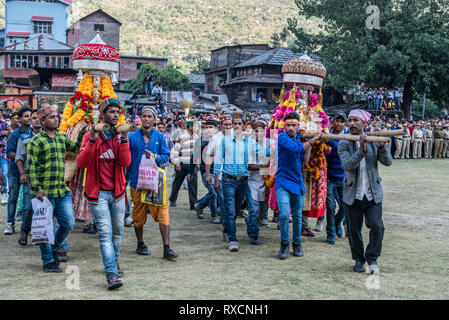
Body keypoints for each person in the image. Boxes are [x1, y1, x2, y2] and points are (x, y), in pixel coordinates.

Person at [77, 98, 131, 290]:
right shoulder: (91, 135)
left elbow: (125, 163)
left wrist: (123, 138)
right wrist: (92, 137)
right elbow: (81, 163)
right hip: (97, 193)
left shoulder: (120, 135)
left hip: (118, 192)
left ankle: (114, 263)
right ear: (103, 114)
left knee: (118, 232)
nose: (115, 115)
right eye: (111, 112)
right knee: (105, 233)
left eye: (117, 112)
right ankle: (111, 273)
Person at [338, 109, 392, 274]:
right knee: (353, 231)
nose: (352, 123)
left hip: (372, 193)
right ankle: (359, 260)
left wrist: (382, 148)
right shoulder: (344, 142)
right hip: (351, 194)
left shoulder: (375, 140)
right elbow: (347, 165)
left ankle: (372, 258)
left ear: (364, 123)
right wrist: (361, 150)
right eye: (350, 120)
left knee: (378, 226)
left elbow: (387, 162)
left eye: (356, 120)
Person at [27, 104, 80, 273]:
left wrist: (85, 135)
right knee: (44, 227)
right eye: (51, 117)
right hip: (43, 193)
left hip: (61, 190)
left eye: (57, 117)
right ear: (42, 121)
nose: (56, 119)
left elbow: (75, 149)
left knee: (68, 222)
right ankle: (48, 260)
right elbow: (31, 167)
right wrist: (37, 188)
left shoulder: (61, 138)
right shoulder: (36, 141)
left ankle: (56, 246)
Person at [128, 106, 178, 260]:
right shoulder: (131, 137)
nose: (147, 119)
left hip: (156, 183)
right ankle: (140, 244)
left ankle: (167, 248)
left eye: (150, 116)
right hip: (137, 182)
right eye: (144, 116)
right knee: (138, 214)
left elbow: (166, 157)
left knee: (163, 213)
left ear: (154, 120)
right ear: (140, 118)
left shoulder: (159, 137)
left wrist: (155, 157)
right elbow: (126, 160)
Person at [213, 113, 262, 250]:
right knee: (229, 209)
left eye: (239, 123)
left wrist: (277, 149)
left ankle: (227, 229)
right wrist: (216, 179)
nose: (236, 126)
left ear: (243, 125)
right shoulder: (225, 141)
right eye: (234, 123)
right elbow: (218, 160)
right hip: (228, 180)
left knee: (236, 209)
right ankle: (233, 240)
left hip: (244, 181)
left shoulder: (249, 142)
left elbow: (263, 152)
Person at [276, 112, 319, 259]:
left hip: (298, 182)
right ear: (284, 126)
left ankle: (297, 243)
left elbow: (305, 160)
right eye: (288, 125)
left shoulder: (301, 139)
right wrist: (312, 140)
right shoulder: (282, 137)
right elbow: (296, 149)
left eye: (294, 125)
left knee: (297, 216)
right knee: (283, 215)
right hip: (283, 181)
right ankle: (284, 243)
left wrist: (310, 145)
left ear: (298, 126)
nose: (291, 128)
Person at [4, 107, 32, 235]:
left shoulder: (34, 134)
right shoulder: (14, 135)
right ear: (20, 119)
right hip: (14, 171)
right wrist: (23, 156)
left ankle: (27, 227)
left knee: (28, 200)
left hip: (29, 171)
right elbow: (9, 153)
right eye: (26, 116)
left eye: (30, 116)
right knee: (13, 196)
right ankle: (10, 223)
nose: (29, 118)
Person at [15, 110, 41, 245]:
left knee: (44, 207)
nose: (36, 120)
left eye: (38, 118)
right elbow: (19, 158)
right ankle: (24, 231)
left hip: (45, 177)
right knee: (28, 207)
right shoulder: (24, 137)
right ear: (30, 121)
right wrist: (22, 174)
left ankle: (40, 233)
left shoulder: (48, 136)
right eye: (34, 118)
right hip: (29, 177)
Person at [323, 112, 347, 244]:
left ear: (345, 124)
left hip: (344, 177)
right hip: (329, 178)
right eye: (336, 121)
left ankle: (337, 223)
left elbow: (340, 148)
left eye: (341, 121)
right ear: (332, 122)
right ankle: (330, 232)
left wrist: (330, 141)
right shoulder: (325, 134)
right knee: (331, 207)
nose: (338, 123)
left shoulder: (348, 137)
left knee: (345, 206)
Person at [169, 119, 198, 209]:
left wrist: (198, 163)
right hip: (182, 163)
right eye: (195, 126)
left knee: (193, 184)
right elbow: (175, 150)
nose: (197, 128)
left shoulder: (197, 137)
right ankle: (173, 199)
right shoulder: (181, 136)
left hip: (192, 164)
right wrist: (176, 162)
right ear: (190, 127)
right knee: (177, 183)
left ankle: (193, 204)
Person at [247, 119, 271, 229]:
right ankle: (253, 229)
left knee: (264, 206)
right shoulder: (248, 143)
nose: (259, 134)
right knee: (254, 207)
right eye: (256, 131)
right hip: (252, 179)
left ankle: (258, 220)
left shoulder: (269, 143)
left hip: (265, 178)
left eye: (261, 131)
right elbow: (248, 166)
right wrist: (263, 166)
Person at [0, 113, 11, 205]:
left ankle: (4, 194)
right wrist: (2, 133)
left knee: (4, 174)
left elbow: (12, 133)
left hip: (3, 154)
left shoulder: (4, 124)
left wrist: (9, 131)